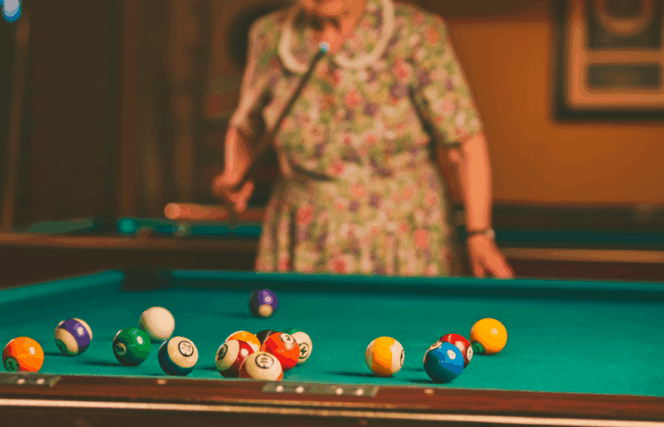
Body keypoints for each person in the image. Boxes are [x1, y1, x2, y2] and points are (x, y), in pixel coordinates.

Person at [213, 0, 513, 279]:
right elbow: (244, 126)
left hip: (403, 234)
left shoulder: (416, 31)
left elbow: (464, 144)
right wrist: (234, 172)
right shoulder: (269, 34)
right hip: (301, 231)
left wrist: (479, 234)